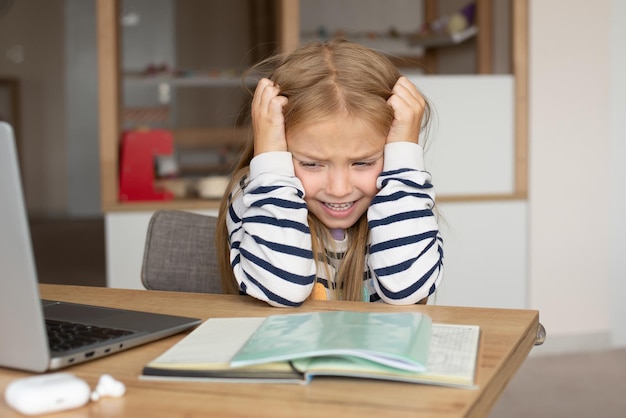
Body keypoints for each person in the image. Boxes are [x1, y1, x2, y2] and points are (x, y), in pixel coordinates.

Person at [216, 38, 443, 307]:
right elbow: (283, 287)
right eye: (311, 164)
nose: (339, 189)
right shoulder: (257, 193)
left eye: (363, 163)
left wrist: (404, 161)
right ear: (278, 153)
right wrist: (269, 163)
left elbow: (407, 289)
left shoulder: (402, 197)